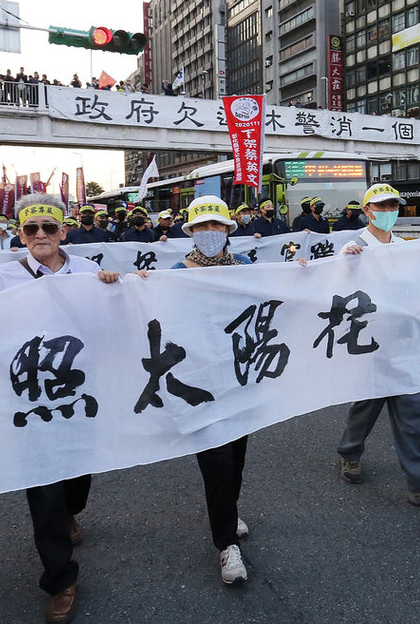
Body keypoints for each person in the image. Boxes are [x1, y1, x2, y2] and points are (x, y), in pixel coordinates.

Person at [0, 194, 123, 623]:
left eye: (48, 227)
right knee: (42, 487)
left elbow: (112, 322)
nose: (40, 235)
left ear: (64, 231)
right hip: (28, 394)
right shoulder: (4, 276)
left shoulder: (89, 271)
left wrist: (115, 289)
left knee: (77, 478)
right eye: (30, 229)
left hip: (80, 392)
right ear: (20, 235)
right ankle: (60, 580)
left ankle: (71, 512)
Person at [335, 183, 420, 507]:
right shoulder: (353, 247)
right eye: (382, 206)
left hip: (404, 345)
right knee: (366, 407)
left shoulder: (406, 247)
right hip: (369, 347)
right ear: (367, 211)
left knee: (411, 414)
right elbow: (332, 291)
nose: (389, 212)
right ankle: (349, 453)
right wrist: (343, 263)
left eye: (393, 206)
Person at [167, 196, 255, 584]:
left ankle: (229, 510)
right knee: (216, 463)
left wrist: (303, 271)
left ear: (228, 232)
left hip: (239, 379)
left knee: (235, 458)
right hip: (198, 382)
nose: (210, 233)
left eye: (217, 227)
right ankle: (226, 546)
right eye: (202, 227)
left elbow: (285, 297)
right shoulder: (174, 273)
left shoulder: (248, 269)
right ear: (190, 232)